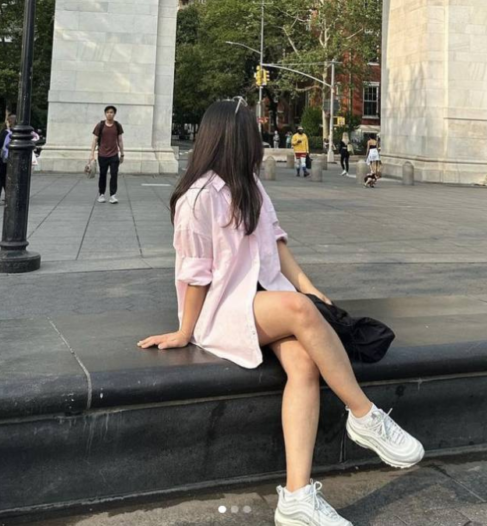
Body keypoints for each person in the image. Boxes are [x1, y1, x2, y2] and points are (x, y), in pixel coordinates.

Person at [137, 99, 424, 526]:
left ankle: (296, 498)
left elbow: (277, 243)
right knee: (297, 308)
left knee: (305, 362)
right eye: (253, 132)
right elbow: (195, 275)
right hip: (224, 309)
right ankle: (365, 416)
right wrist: (185, 331)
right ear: (236, 139)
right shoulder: (197, 198)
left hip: (266, 299)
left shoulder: (251, 184)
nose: (260, 139)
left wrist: (310, 289)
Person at [89, 105, 124, 204]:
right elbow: (95, 140)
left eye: (111, 112)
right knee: (102, 175)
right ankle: (101, 194)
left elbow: (120, 141)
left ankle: (113, 195)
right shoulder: (100, 125)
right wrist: (92, 154)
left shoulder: (117, 125)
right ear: (105, 114)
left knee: (114, 175)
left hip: (114, 155)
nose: (109, 114)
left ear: (114, 114)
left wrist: (122, 154)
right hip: (102, 155)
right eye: (108, 112)